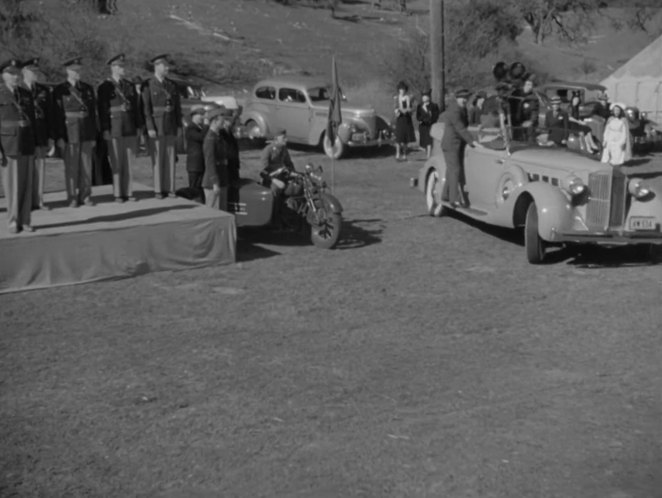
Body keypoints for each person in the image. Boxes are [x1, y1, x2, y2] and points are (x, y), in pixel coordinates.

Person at [52, 57, 98, 207]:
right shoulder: (60, 90)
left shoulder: (87, 88)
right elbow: (57, 116)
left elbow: (92, 114)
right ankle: (72, 196)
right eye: (74, 70)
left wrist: (93, 135)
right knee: (71, 168)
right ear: (67, 71)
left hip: (85, 131)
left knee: (86, 166)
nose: (78, 72)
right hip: (69, 132)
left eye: (79, 69)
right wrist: (59, 136)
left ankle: (85, 195)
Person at [97, 53, 141, 203]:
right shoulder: (105, 87)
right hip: (114, 127)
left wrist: (138, 126)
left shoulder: (129, 85)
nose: (123, 69)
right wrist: (105, 129)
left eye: (123, 66)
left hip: (129, 126)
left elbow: (136, 107)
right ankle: (117, 192)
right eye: (120, 66)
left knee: (128, 162)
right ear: (113, 68)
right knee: (116, 162)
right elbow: (102, 110)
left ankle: (128, 191)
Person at [0, 59, 36, 234]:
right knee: (12, 185)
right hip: (8, 143)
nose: (15, 76)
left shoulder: (25, 93)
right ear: (3, 75)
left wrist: (36, 142)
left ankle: (26, 219)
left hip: (27, 141)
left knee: (26, 183)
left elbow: (33, 120)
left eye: (17, 73)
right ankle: (13, 220)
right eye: (11, 73)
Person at [141, 54, 182, 199]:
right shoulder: (148, 85)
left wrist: (178, 125)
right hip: (157, 125)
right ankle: (159, 189)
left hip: (170, 124)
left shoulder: (172, 85)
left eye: (167, 65)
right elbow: (146, 108)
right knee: (158, 159)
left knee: (170, 158)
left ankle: (170, 188)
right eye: (164, 66)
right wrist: (150, 127)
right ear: (157, 66)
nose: (167, 68)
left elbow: (177, 107)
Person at [440, 88, 483, 208]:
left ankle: (445, 194)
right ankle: (454, 199)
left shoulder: (462, 109)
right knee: (455, 170)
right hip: (451, 145)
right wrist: (472, 141)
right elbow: (461, 129)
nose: (464, 100)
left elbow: (466, 126)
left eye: (466, 98)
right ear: (457, 98)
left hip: (457, 144)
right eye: (462, 98)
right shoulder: (454, 110)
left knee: (451, 170)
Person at [21, 58, 53, 211]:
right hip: (24, 135)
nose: (35, 74)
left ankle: (38, 201)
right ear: (24, 72)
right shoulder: (18, 89)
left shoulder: (43, 90)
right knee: (25, 171)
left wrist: (51, 137)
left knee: (40, 168)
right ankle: (26, 202)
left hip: (40, 134)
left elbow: (50, 114)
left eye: (37, 71)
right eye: (32, 71)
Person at [202, 107, 229, 211]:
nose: (224, 122)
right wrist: (215, 182)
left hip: (222, 177)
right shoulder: (210, 139)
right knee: (214, 211)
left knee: (222, 211)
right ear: (214, 121)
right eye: (222, 120)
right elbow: (210, 162)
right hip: (212, 182)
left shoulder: (219, 137)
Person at [184, 107, 207, 195]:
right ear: (194, 116)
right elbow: (201, 137)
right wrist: (206, 126)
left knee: (199, 187)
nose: (202, 117)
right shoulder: (191, 128)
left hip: (200, 163)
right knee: (193, 188)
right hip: (194, 164)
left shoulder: (199, 128)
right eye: (201, 115)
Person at [393, 80, 415, 161]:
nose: (402, 91)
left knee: (406, 139)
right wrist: (400, 110)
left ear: (406, 90)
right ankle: (398, 154)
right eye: (400, 89)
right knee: (399, 138)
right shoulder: (396, 98)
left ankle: (405, 154)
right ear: (398, 90)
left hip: (407, 119)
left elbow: (412, 108)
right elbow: (395, 108)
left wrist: (409, 110)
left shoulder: (409, 98)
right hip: (400, 119)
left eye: (403, 89)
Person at [415, 90, 440, 159]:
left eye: (425, 97)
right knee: (424, 140)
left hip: (431, 125)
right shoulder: (419, 106)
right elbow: (418, 116)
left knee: (429, 139)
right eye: (423, 97)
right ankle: (427, 152)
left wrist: (431, 118)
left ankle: (428, 155)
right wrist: (422, 119)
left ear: (429, 97)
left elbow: (436, 115)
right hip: (423, 125)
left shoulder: (434, 106)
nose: (424, 98)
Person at [515, 76, 539, 142]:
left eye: (530, 85)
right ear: (523, 85)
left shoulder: (533, 99)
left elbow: (534, 111)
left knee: (528, 140)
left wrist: (531, 121)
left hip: (526, 124)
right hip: (514, 123)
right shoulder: (516, 94)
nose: (529, 87)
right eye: (527, 84)